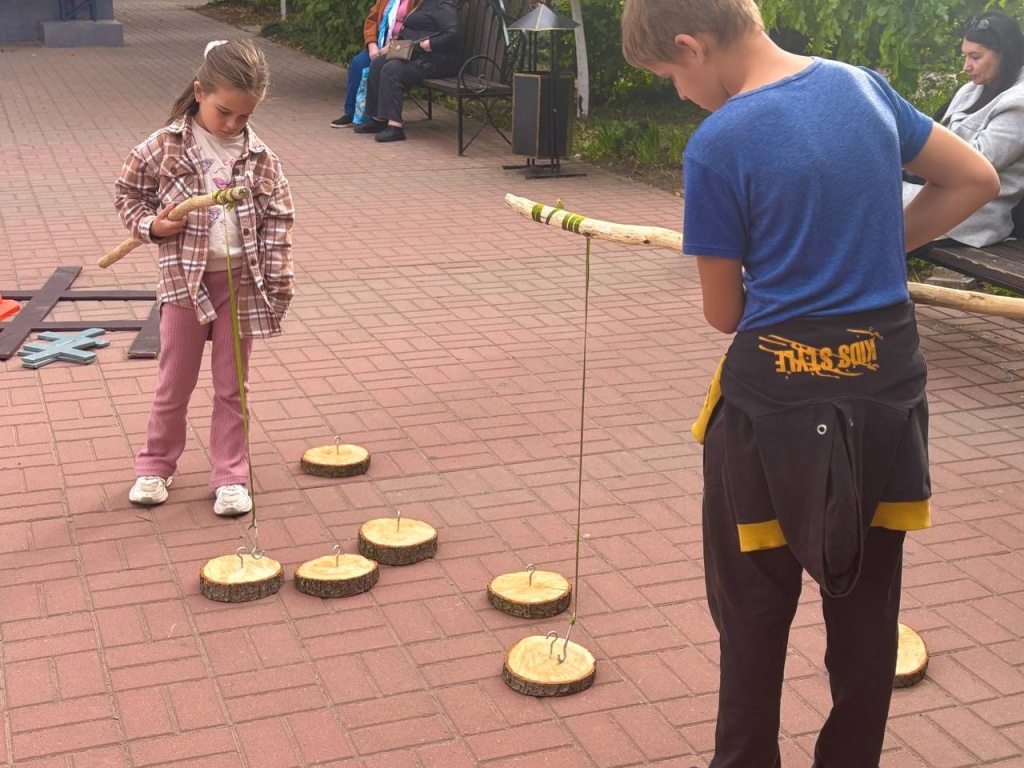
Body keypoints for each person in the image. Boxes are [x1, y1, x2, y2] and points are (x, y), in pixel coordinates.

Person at [620, 1, 998, 766]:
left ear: (692, 47)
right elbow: (974, 180)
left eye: (670, 77)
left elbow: (724, 314)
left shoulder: (718, 143)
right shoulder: (863, 88)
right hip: (884, 403)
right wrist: (871, 251)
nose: (679, 95)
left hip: (772, 420)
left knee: (753, 616)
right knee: (866, 619)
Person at [115, 39, 295, 517]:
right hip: (182, 286)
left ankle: (231, 474)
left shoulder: (262, 158)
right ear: (199, 91)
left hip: (239, 284)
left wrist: (277, 284)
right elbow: (127, 193)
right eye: (224, 112)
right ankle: (154, 465)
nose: (233, 124)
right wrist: (151, 226)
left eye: (244, 115)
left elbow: (279, 222)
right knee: (174, 381)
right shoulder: (163, 146)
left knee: (232, 385)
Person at [904, 11, 1024, 248]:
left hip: (971, 212)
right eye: (965, 56)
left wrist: (911, 159)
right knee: (862, 191)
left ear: (1006, 55)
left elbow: (975, 166)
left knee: (868, 204)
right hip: (939, 192)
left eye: (975, 57)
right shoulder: (972, 90)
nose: (966, 67)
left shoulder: (1019, 102)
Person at [353, 0, 460, 142]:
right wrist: (394, 46)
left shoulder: (444, 4)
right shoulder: (425, 3)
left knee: (392, 69)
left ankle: (395, 126)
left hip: (437, 60)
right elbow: (410, 31)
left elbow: (452, 35)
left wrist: (423, 46)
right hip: (416, 54)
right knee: (378, 64)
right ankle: (378, 119)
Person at [330, 0, 424, 128]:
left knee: (385, 67)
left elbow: (419, 28)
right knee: (358, 63)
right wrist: (371, 44)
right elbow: (372, 20)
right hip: (379, 46)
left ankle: (381, 117)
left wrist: (393, 46)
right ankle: (350, 114)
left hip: (402, 49)